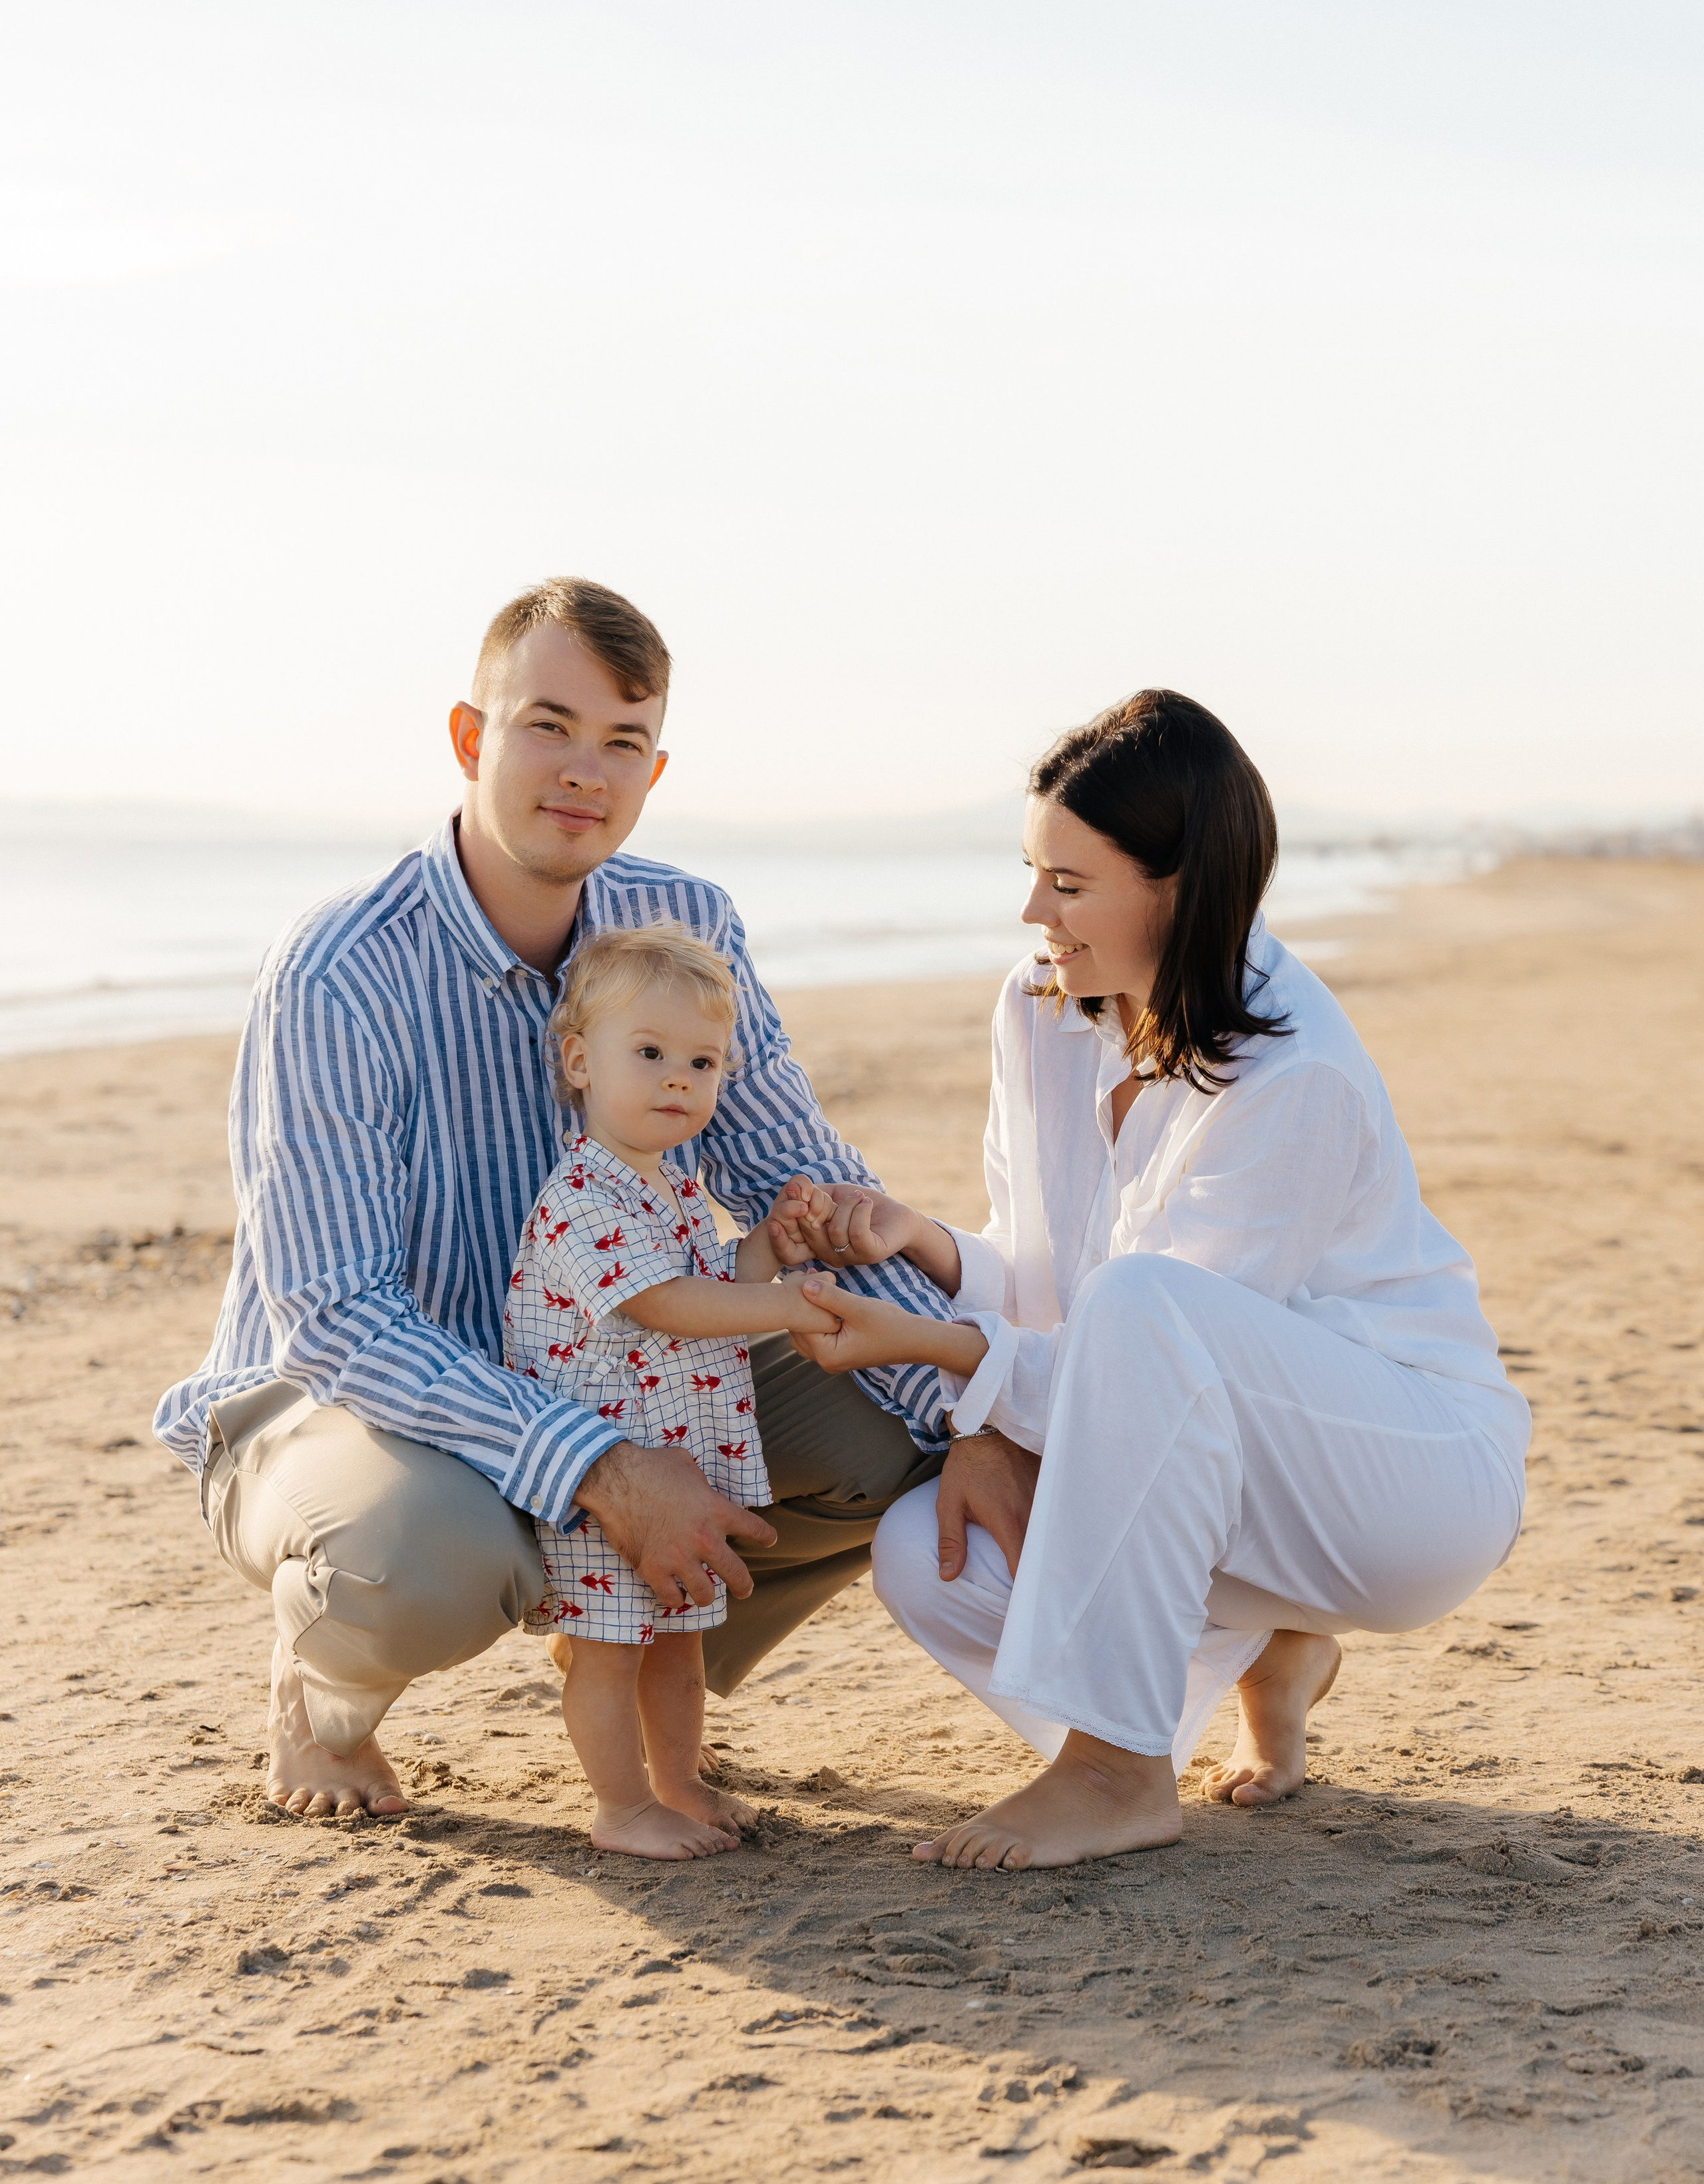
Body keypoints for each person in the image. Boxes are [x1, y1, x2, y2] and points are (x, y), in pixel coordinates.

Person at [152, 576, 1034, 1820]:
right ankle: (324, 1695)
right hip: (351, 1407)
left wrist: (977, 1413)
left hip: (619, 1359)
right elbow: (336, 1318)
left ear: (654, 770)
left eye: (622, 741)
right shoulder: (340, 971)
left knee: (892, 1438)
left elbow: (811, 1191)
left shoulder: (683, 924)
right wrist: (601, 1465)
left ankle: (635, 1639)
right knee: (428, 1560)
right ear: (472, 738)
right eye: (548, 725)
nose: (584, 771)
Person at [777, 689, 1532, 1870]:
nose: (1035, 912)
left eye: (1069, 884)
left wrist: (947, 1363)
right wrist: (921, 1243)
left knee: (1139, 1307)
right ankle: (1273, 1652)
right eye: (1033, 872)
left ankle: (1116, 1770)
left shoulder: (1294, 1071)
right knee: (930, 1556)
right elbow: (1049, 1273)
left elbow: (1142, 1340)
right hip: (1224, 1464)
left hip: (1409, 1474)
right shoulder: (1039, 1008)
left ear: (1177, 888)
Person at [505, 921, 849, 1861]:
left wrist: (770, 1245)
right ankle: (620, 1805)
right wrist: (785, 1307)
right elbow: (668, 1303)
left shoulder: (672, 1187)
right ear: (578, 1061)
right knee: (611, 1653)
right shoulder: (581, 1196)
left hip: (682, 1469)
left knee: (679, 1644)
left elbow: (712, 1270)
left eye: (700, 1063)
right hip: (608, 1482)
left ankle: (678, 1778)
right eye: (649, 1053)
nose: (676, 1080)